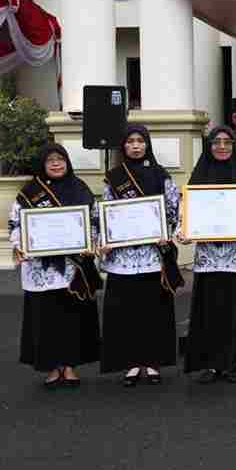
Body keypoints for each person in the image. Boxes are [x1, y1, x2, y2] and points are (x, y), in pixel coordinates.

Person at [10, 144, 102, 388]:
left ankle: (70, 366)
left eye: (60, 159)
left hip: (74, 266)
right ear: (42, 164)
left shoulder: (79, 188)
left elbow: (93, 220)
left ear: (67, 162)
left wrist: (90, 242)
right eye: (50, 160)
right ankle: (51, 366)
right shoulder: (28, 193)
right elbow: (16, 224)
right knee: (45, 316)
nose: (56, 164)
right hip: (42, 268)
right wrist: (20, 244)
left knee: (72, 315)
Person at [99, 125, 183, 386]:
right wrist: (107, 239)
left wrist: (165, 232)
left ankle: (153, 361)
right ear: (123, 146)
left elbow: (172, 209)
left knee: (153, 310)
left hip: (152, 256)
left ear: (147, 145)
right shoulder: (113, 178)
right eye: (130, 141)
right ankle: (132, 363)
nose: (135, 146)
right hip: (122, 258)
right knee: (126, 311)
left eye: (140, 141)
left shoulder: (160, 175)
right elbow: (106, 214)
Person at [178, 126, 236, 383]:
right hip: (209, 257)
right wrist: (182, 230)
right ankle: (209, 363)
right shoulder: (199, 177)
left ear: (235, 145)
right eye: (216, 142)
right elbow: (187, 213)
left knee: (235, 308)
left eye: (227, 142)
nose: (222, 147)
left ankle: (231, 362)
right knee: (209, 310)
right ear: (209, 145)